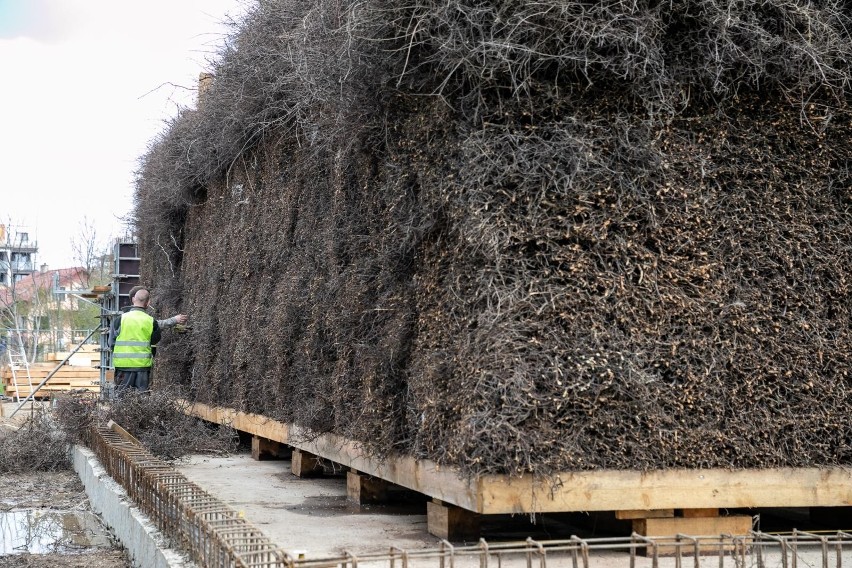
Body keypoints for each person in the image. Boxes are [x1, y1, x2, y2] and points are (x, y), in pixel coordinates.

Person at [108, 287, 188, 393]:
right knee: (142, 399)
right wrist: (174, 320)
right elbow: (154, 340)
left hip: (123, 366)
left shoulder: (119, 320)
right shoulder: (151, 321)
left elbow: (111, 343)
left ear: (133, 300)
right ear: (148, 302)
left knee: (122, 398)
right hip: (142, 367)